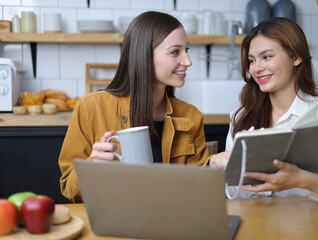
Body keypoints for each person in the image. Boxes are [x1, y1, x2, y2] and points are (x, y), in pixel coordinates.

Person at [210, 17, 318, 214]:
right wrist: (222, 167)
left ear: (296, 57)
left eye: (267, 57)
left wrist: (305, 180)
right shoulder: (241, 118)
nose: (256, 68)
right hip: (254, 227)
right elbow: (232, 195)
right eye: (252, 60)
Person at [59, 11, 210, 203]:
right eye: (175, 52)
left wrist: (214, 165)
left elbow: (198, 190)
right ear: (144, 55)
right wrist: (92, 167)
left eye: (186, 50)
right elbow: (69, 189)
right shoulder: (90, 108)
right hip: (113, 222)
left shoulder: (191, 116)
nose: (187, 61)